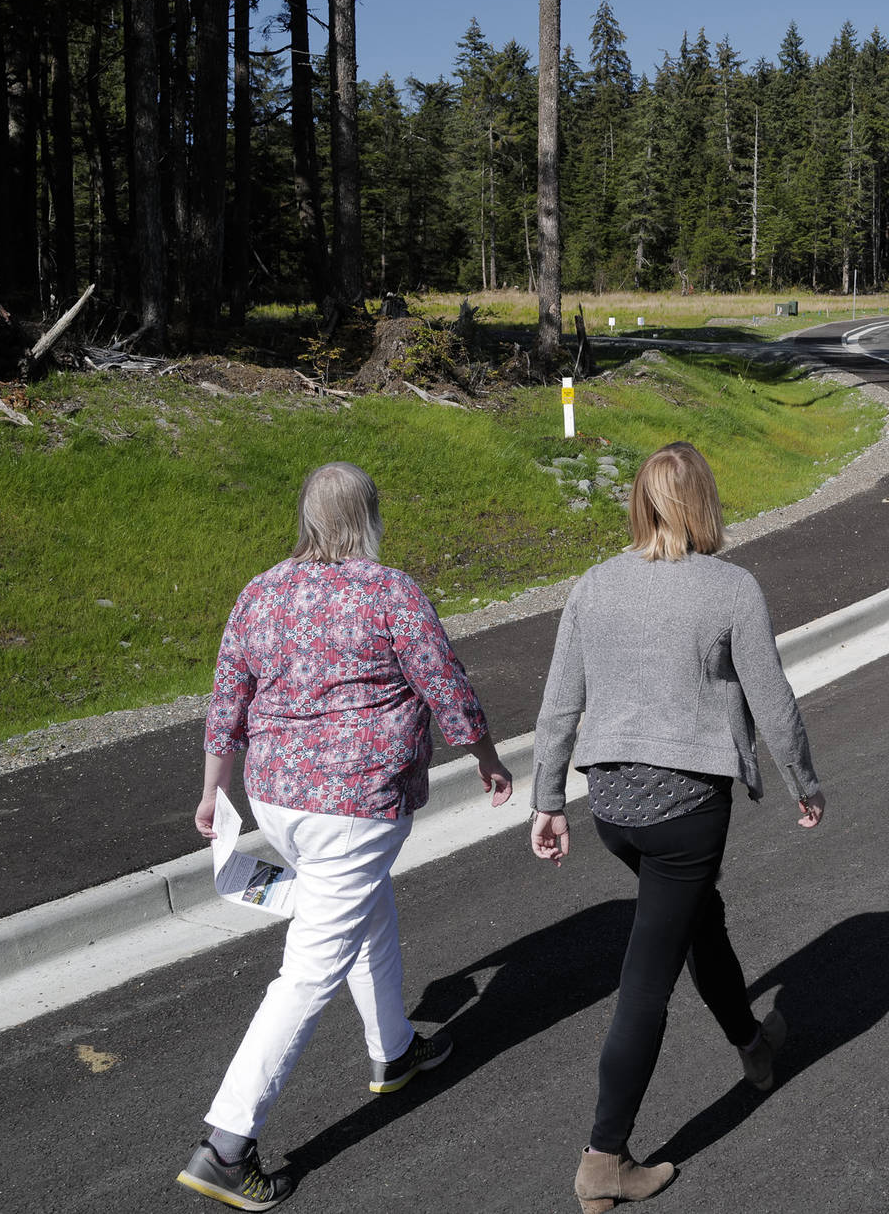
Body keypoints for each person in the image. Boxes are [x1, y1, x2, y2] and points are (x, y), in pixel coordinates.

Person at [178, 462, 513, 1211]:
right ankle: (226, 1145)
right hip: (355, 807)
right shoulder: (390, 590)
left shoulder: (260, 591)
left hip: (278, 800)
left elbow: (228, 695)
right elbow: (444, 682)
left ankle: (393, 1049)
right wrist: (487, 757)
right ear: (370, 516)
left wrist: (212, 789)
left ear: (305, 517)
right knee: (307, 973)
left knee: (368, 911)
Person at [529, 441, 825, 1213]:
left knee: (699, 918)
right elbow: (773, 696)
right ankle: (604, 1159)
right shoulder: (730, 587)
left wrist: (548, 800)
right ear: (703, 502)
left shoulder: (594, 585)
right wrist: (804, 781)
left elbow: (560, 703)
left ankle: (753, 1045)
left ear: (641, 502)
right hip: (688, 810)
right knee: (646, 981)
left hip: (614, 809)